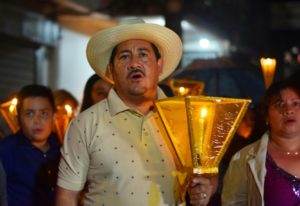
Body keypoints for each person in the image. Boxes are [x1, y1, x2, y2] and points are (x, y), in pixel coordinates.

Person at [55, 18, 217, 206]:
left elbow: (209, 173)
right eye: (124, 56)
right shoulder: (85, 124)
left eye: (143, 54)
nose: (134, 63)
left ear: (160, 65)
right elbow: (66, 197)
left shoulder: (186, 118)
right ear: (111, 71)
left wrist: (208, 188)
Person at [222, 79, 300, 205]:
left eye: (295, 104)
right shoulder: (243, 159)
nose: (288, 110)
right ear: (267, 116)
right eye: (279, 104)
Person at [0, 84, 61, 206]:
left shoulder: (62, 150)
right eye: (29, 114)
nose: (37, 121)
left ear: (54, 117)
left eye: (44, 113)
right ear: (17, 119)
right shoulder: (6, 150)